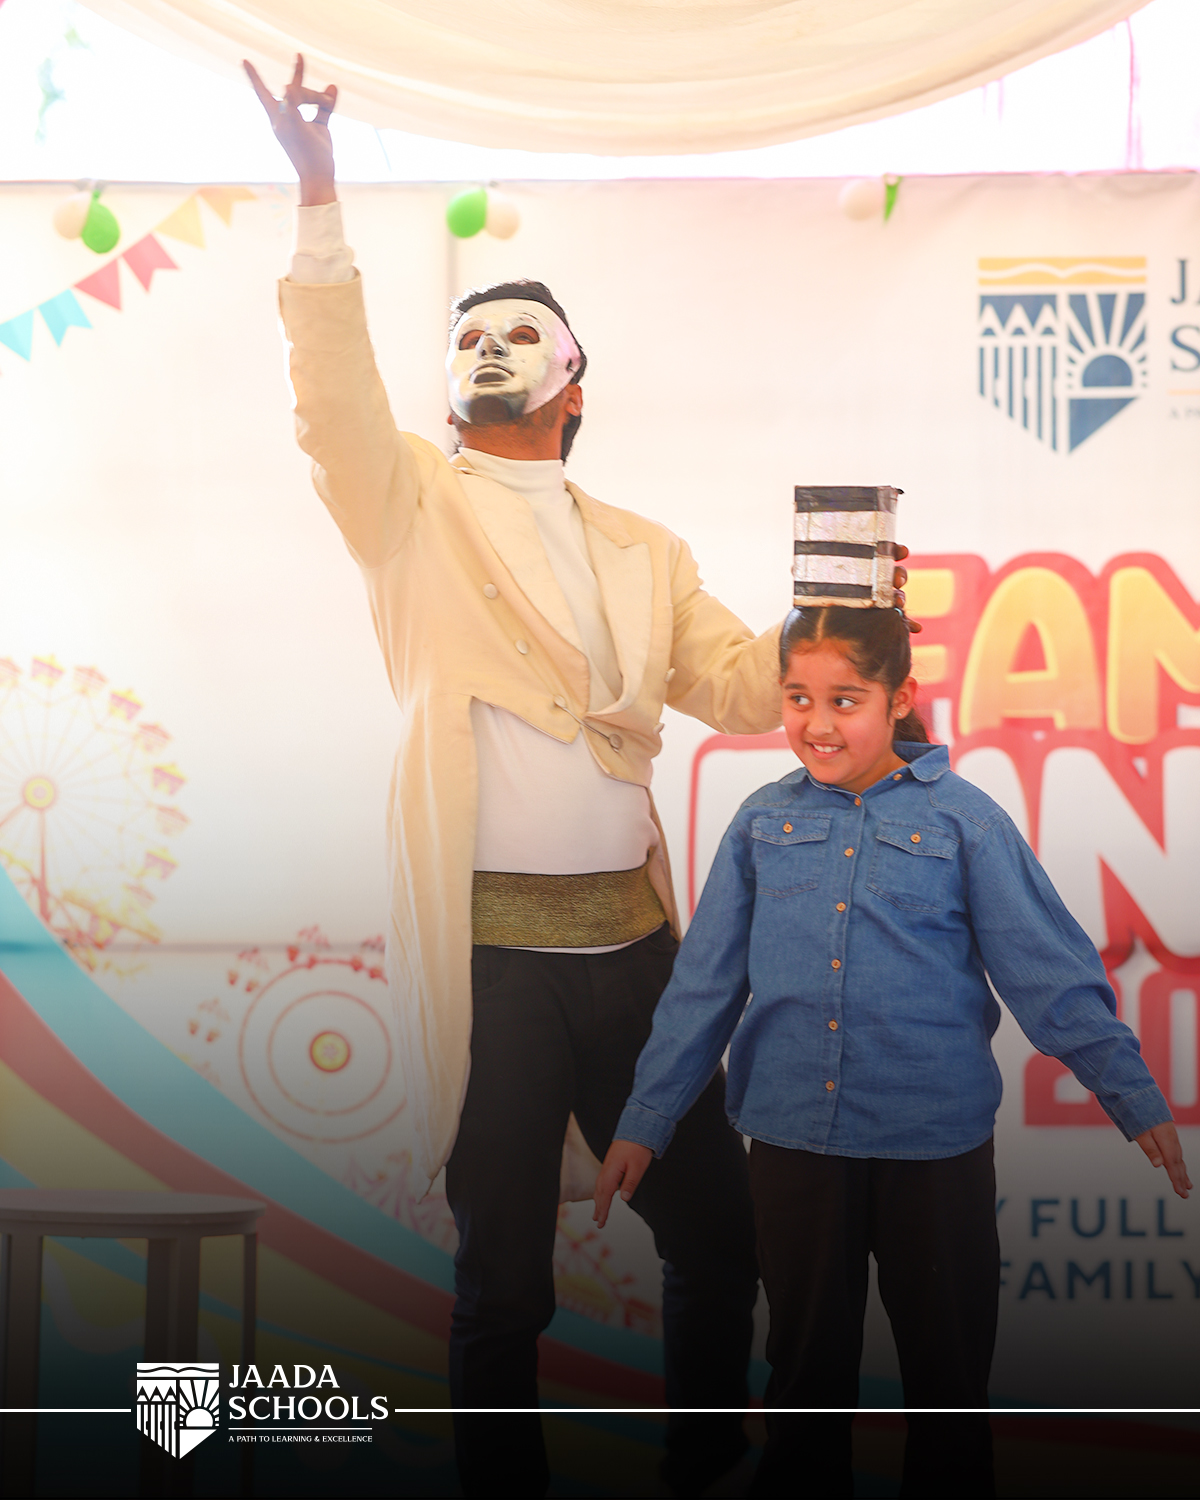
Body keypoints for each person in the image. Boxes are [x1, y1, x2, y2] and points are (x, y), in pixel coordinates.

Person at [243, 55, 917, 1499]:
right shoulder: (408, 505)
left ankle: (701, 1479)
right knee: (502, 1276)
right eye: (471, 333)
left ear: (572, 380)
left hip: (637, 955)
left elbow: (742, 685)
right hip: (492, 957)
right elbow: (333, 402)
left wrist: (850, 615)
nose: (489, 347)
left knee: (719, 1237)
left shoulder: (645, 550)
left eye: (519, 332)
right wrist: (318, 202)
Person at [595, 603, 1191, 1498]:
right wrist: (647, 1121)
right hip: (794, 1145)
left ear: (898, 697)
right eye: (798, 698)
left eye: (845, 700)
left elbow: (1049, 975)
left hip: (934, 1149)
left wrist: (1132, 1095)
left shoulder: (965, 822)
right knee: (804, 1385)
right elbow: (702, 991)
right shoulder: (761, 823)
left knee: (949, 1389)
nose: (818, 723)